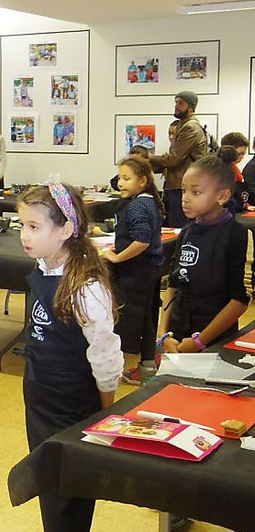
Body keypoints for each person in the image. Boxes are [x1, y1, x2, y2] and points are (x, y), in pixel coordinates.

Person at [12, 183, 123, 532]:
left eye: (35, 226)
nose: (25, 234)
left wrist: (103, 413)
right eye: (23, 224)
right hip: (40, 400)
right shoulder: (44, 268)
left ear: (67, 229)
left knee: (66, 501)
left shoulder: (87, 289)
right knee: (52, 495)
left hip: (73, 409)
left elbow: (106, 358)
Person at [159, 147, 249, 354]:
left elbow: (239, 300)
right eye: (184, 191)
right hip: (178, 333)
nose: (186, 198)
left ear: (223, 196)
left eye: (196, 192)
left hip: (214, 339)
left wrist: (200, 341)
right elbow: (172, 285)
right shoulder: (186, 233)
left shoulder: (235, 234)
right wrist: (164, 334)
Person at [102, 156, 164, 386]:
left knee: (132, 317)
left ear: (143, 181)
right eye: (120, 177)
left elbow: (143, 240)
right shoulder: (145, 200)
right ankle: (147, 363)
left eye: (127, 178)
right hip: (149, 269)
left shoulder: (138, 204)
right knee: (147, 317)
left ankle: (116, 366)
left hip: (137, 271)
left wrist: (117, 257)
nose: (120, 183)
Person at [149, 91, 208, 228]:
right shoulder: (183, 124)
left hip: (182, 185)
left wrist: (149, 158)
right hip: (176, 184)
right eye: (175, 102)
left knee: (178, 227)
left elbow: (174, 159)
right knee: (172, 225)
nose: (176, 106)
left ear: (191, 107)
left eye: (181, 103)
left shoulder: (191, 127)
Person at [220, 132, 252, 213]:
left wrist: (246, 205)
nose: (241, 157)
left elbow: (240, 194)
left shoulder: (235, 169)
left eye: (243, 154)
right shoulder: (220, 170)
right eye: (239, 154)